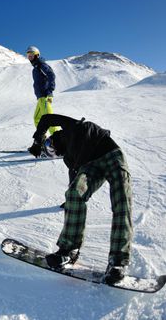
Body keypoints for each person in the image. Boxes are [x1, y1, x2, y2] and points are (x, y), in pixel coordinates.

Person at [28, 114, 133, 284]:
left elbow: (46, 118)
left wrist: (38, 140)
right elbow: (74, 186)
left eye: (51, 149)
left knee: (121, 200)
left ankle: (118, 262)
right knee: (74, 194)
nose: (54, 153)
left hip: (112, 155)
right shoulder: (70, 159)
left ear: (54, 140)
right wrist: (72, 199)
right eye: (50, 154)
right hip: (90, 166)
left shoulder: (70, 128)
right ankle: (68, 250)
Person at [26, 46, 60, 135]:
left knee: (49, 119)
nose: (30, 57)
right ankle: (42, 140)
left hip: (45, 96)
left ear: (37, 55)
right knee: (37, 118)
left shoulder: (41, 65)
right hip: (40, 98)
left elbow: (51, 75)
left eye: (31, 55)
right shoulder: (36, 67)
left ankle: (58, 141)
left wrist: (50, 91)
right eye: (28, 56)